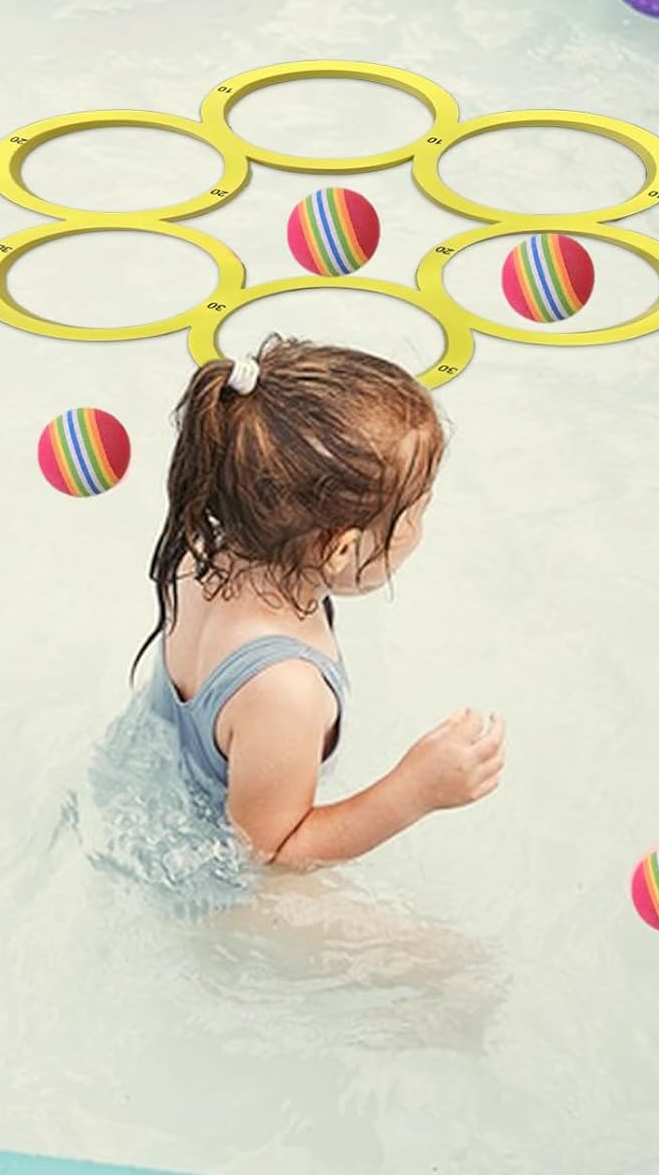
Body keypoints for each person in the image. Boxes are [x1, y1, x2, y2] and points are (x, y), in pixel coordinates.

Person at [131, 335, 506, 869]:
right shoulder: (285, 689)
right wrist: (414, 790)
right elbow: (266, 854)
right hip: (202, 875)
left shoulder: (201, 552)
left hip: (142, 790)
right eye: (417, 512)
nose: (421, 528)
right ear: (340, 549)